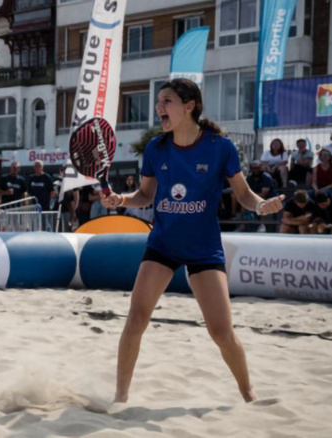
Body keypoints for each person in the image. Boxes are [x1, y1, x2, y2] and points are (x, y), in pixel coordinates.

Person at [101, 78, 283, 404]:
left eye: (166, 101)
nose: (158, 108)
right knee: (136, 318)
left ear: (190, 106)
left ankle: (249, 393)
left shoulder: (220, 147)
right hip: (163, 244)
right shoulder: (157, 148)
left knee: (221, 332)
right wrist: (121, 200)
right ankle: (120, 397)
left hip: (204, 248)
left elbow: (243, 194)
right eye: (158, 102)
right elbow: (145, 195)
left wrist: (260, 205)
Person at [242, 160, 278, 232]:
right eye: (254, 168)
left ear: (260, 168)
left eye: (257, 168)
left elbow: (264, 193)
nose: (256, 170)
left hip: (269, 198)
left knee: (261, 200)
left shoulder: (266, 177)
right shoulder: (249, 178)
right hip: (254, 197)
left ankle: (262, 224)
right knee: (243, 201)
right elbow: (245, 190)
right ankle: (243, 223)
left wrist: (250, 195)